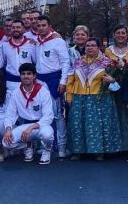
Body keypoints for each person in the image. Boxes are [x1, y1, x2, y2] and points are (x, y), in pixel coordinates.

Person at [66, 38, 121, 160]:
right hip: (79, 97)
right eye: (87, 46)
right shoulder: (77, 61)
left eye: (93, 46)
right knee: (77, 124)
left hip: (100, 98)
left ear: (99, 48)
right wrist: (69, 96)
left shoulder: (107, 62)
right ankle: (77, 151)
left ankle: (99, 151)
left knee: (97, 125)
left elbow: (116, 82)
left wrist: (112, 80)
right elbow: (70, 80)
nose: (89, 48)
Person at [3, 63, 54, 165]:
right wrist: (8, 129)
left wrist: (32, 127)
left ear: (34, 76)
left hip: (41, 125)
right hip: (25, 125)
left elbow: (49, 116)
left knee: (47, 135)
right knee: (6, 143)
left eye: (29, 74)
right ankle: (28, 145)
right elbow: (10, 114)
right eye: (23, 74)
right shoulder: (16, 92)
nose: (26, 76)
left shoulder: (43, 91)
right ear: (20, 76)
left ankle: (47, 150)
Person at [34, 15, 70, 158]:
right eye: (39, 25)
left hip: (54, 80)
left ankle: (61, 146)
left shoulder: (58, 41)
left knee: (57, 115)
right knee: (42, 114)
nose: (41, 28)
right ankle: (45, 146)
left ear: (49, 26)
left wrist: (63, 81)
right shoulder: (35, 42)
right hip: (39, 81)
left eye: (44, 25)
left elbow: (65, 62)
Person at [104, 24, 128, 152]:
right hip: (113, 86)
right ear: (114, 35)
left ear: (127, 35)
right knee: (114, 114)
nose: (121, 35)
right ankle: (115, 145)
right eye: (118, 33)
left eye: (123, 33)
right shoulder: (108, 50)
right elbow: (105, 67)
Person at [2, 19, 36, 91]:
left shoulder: (31, 44)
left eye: (18, 27)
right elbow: (4, 62)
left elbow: (35, 61)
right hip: (11, 82)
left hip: (28, 82)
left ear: (23, 29)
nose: (15, 29)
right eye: (13, 27)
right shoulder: (5, 45)